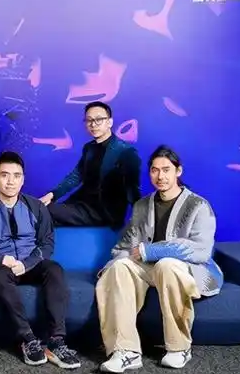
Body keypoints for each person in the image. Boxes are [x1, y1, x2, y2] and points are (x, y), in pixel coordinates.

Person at [95, 145, 223, 372]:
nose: (160, 176)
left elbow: (201, 250)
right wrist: (115, 265)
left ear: (178, 171)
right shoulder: (142, 205)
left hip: (189, 270)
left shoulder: (199, 205)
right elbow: (126, 246)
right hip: (149, 269)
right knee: (120, 266)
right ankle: (126, 351)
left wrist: (151, 251)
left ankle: (179, 348)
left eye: (166, 170)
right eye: (155, 170)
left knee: (167, 264)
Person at [0, 151, 81, 369]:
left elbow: (47, 244)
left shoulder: (36, 207)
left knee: (54, 269)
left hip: (30, 263)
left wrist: (27, 264)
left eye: (16, 176)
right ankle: (28, 339)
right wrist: (0, 259)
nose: (10, 181)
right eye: (4, 175)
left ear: (23, 179)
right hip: (2, 267)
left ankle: (56, 341)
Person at [39, 101, 141, 229]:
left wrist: (139, 220)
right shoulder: (89, 148)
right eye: (89, 120)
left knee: (46, 212)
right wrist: (53, 194)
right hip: (82, 203)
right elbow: (76, 176)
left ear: (109, 122)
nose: (93, 124)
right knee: (40, 210)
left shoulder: (125, 152)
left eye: (99, 119)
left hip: (103, 211)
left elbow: (132, 189)